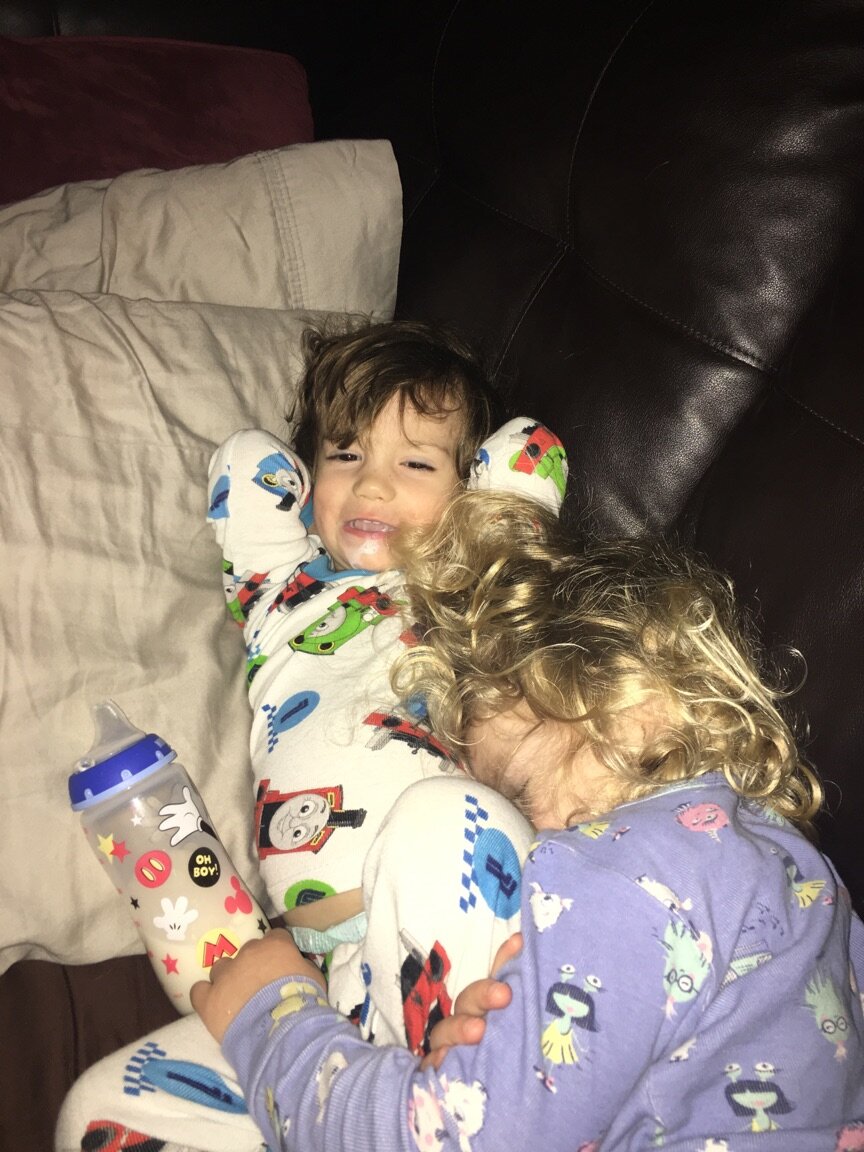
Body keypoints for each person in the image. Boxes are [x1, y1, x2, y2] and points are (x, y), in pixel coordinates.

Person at [190, 490, 864, 1151]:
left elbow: (447, 1138)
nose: (531, 836)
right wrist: (508, 1053)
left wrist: (272, 1018)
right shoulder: (806, 880)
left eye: (520, 791)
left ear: (628, 697)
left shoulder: (632, 871)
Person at [55, 322, 568, 1152]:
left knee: (443, 815)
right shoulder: (278, 593)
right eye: (345, 454)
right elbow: (244, 466)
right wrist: (292, 469)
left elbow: (530, 464)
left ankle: (452, 1115)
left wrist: (488, 505)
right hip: (323, 984)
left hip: (447, 920)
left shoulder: (471, 583)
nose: (372, 483)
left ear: (468, 490)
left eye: (416, 464)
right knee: (98, 1115)